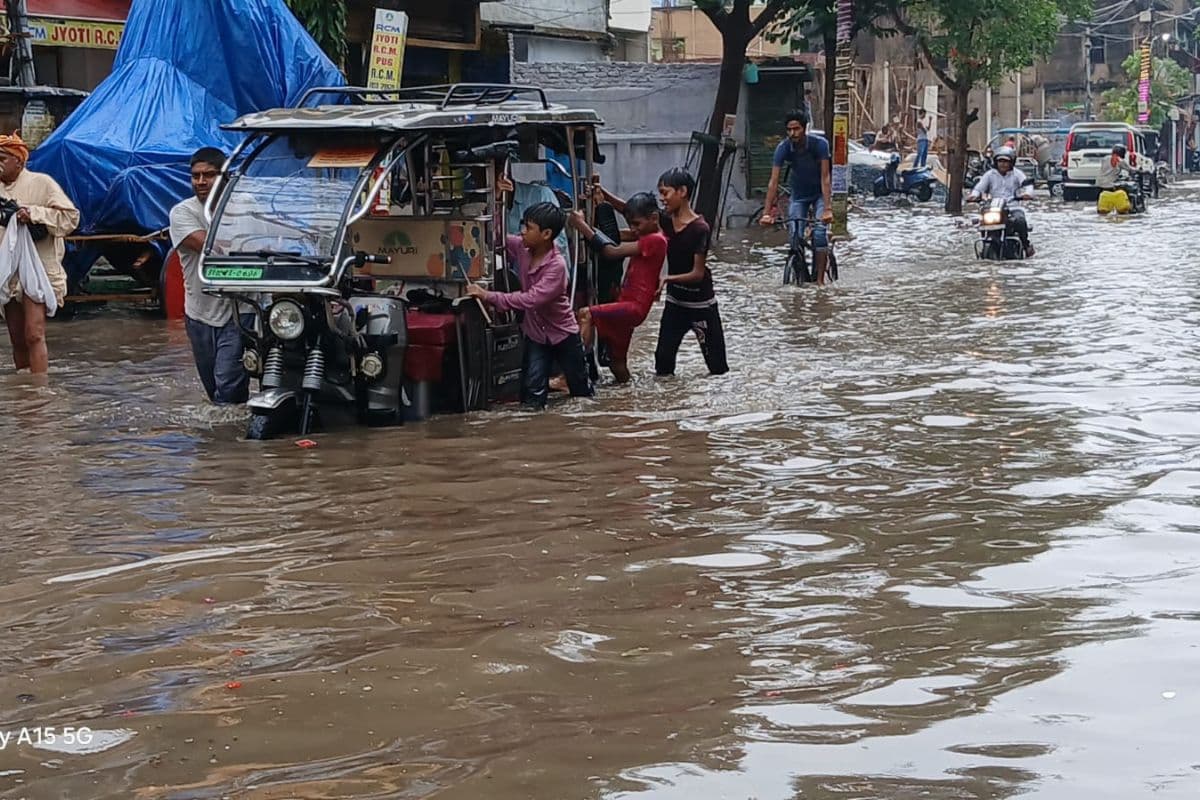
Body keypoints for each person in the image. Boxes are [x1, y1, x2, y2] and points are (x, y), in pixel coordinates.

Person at [466, 202, 593, 409]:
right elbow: (496, 237)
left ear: (546, 234)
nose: (522, 231)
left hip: (563, 334)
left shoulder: (556, 266)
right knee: (532, 394)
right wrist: (497, 201)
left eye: (528, 228)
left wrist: (488, 296)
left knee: (581, 391)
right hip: (536, 335)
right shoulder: (522, 248)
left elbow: (530, 299)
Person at [170, 147, 254, 405]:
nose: (201, 182)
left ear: (225, 176)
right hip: (199, 312)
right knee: (212, 387)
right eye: (195, 176)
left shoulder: (246, 205)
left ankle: (229, 441)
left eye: (208, 175)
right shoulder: (183, 212)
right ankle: (220, 437)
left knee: (228, 383)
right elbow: (210, 248)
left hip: (240, 309)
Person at [566, 192, 667, 384]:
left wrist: (581, 225)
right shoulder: (648, 235)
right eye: (631, 224)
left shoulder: (654, 240)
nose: (633, 229)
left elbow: (610, 251)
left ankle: (571, 374)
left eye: (637, 224)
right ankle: (626, 397)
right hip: (628, 305)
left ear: (654, 218)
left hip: (632, 307)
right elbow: (614, 234)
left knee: (586, 314)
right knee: (616, 363)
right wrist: (601, 195)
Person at [0, 132, 79, 374]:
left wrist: (32, 213)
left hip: (39, 269)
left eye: (2, 158)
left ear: (19, 161)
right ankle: (26, 392)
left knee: (34, 334)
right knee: (16, 337)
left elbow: (70, 217)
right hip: (6, 271)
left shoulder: (42, 183)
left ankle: (40, 393)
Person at [653, 167, 728, 377]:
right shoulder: (665, 220)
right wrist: (603, 195)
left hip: (701, 306)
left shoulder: (700, 229)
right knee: (662, 364)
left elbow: (697, 274)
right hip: (675, 304)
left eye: (665, 192)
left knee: (717, 369)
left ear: (682, 191)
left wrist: (667, 278)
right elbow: (634, 212)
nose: (662, 198)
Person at [760, 109, 835, 285]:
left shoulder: (820, 145)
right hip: (799, 195)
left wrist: (828, 208)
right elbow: (774, 181)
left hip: (819, 195)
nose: (793, 133)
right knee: (794, 235)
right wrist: (766, 213)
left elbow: (825, 177)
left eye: (796, 129)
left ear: (804, 128)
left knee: (819, 233)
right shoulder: (783, 148)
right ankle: (799, 274)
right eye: (789, 130)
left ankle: (820, 282)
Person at [967, 146, 1035, 257]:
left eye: (1006, 161)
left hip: (1012, 207)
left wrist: (1027, 194)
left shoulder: (1017, 174)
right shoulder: (989, 175)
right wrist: (974, 196)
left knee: (1020, 220)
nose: (1003, 164)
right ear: (996, 162)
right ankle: (985, 244)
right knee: (982, 221)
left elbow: (1027, 186)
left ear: (1011, 162)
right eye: (1000, 161)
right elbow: (978, 188)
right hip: (993, 208)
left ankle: (1026, 245)